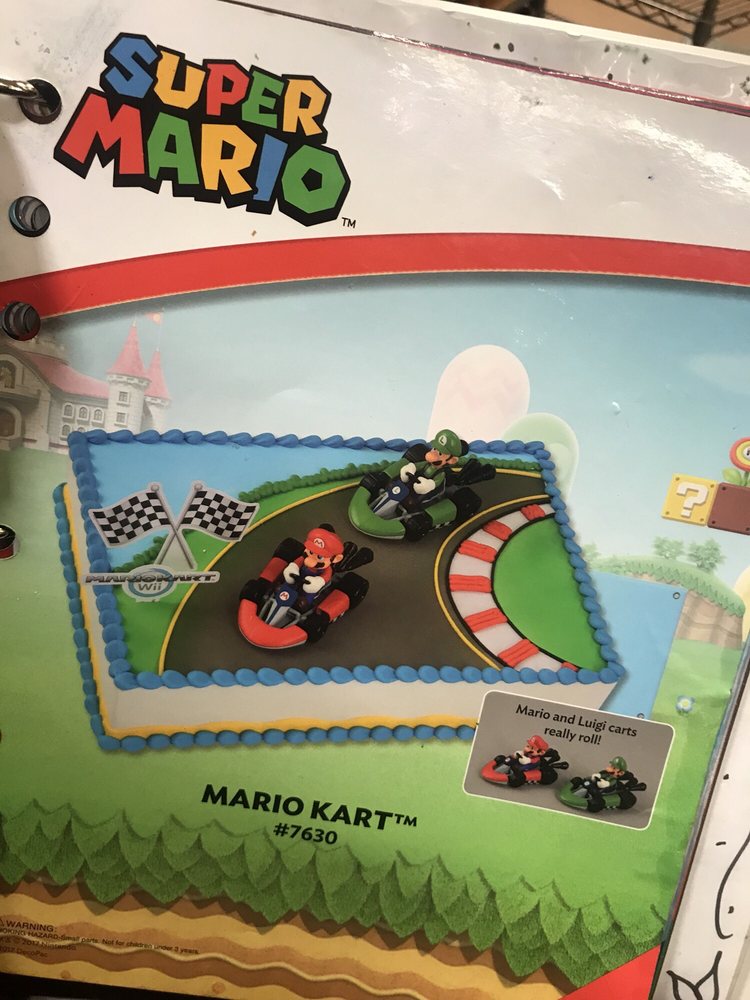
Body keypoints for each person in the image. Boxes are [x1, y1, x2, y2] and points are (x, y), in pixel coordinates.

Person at [282, 525, 345, 604]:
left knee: (308, 595)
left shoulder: (327, 570)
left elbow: (324, 578)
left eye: (319, 557)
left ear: (336, 559)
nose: (310, 559)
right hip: (297, 577)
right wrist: (292, 569)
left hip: (310, 585)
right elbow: (296, 564)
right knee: (288, 584)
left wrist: (316, 583)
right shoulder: (303, 559)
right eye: (311, 552)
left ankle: (304, 602)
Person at [398, 428, 465, 500]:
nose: (432, 454)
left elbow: (435, 483)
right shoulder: (426, 464)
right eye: (434, 449)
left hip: (427, 492)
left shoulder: (440, 473)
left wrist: (428, 485)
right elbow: (417, 466)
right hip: (414, 482)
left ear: (451, 460)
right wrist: (410, 468)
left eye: (440, 453)